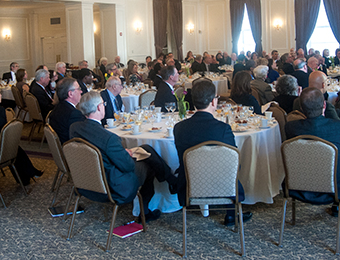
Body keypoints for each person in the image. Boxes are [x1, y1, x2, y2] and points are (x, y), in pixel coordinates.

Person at [70, 91, 176, 222]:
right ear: (99, 107)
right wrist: (125, 154)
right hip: (112, 187)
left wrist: (119, 152)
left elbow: (94, 152)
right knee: (149, 165)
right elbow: (128, 166)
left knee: (146, 149)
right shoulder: (109, 138)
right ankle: (144, 213)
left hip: (85, 183)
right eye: (104, 104)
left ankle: (170, 179)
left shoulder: (74, 129)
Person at [173, 80, 253, 226]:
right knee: (229, 170)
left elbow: (181, 159)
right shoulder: (223, 129)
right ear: (213, 102)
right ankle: (231, 214)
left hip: (189, 186)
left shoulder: (179, 128)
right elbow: (234, 164)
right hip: (222, 186)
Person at [285, 88, 340, 215]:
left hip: (298, 186)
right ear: (324, 105)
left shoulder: (290, 127)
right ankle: (337, 206)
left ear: (301, 107)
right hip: (335, 188)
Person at [0, 84, 42, 184]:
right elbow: (4, 133)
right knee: (14, 149)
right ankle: (27, 176)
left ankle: (27, 176)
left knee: (16, 149)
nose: (1, 95)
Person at [49, 78, 85, 144]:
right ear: (70, 94)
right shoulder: (74, 114)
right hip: (72, 150)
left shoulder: (57, 108)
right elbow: (81, 137)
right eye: (79, 89)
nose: (81, 91)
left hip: (63, 147)